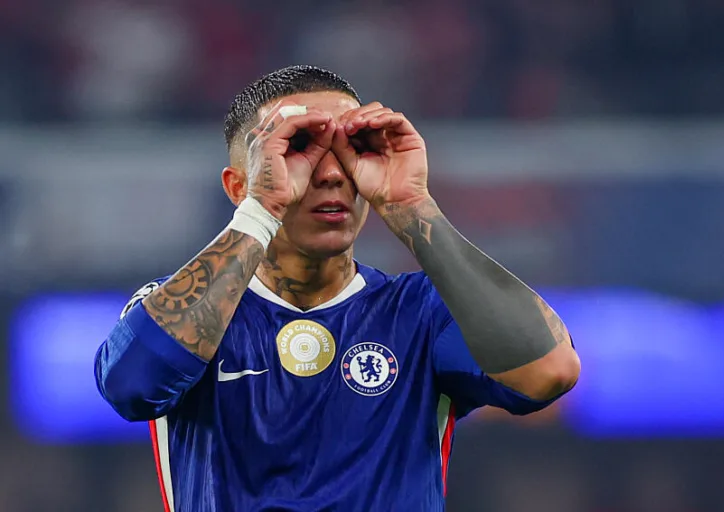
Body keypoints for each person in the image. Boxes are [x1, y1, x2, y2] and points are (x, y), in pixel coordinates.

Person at [94, 64, 581, 512]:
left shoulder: (422, 312)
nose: (330, 173)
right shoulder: (185, 310)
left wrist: (412, 205)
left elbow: (550, 372)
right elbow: (130, 388)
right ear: (238, 186)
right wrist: (262, 210)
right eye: (298, 148)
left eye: (353, 148)